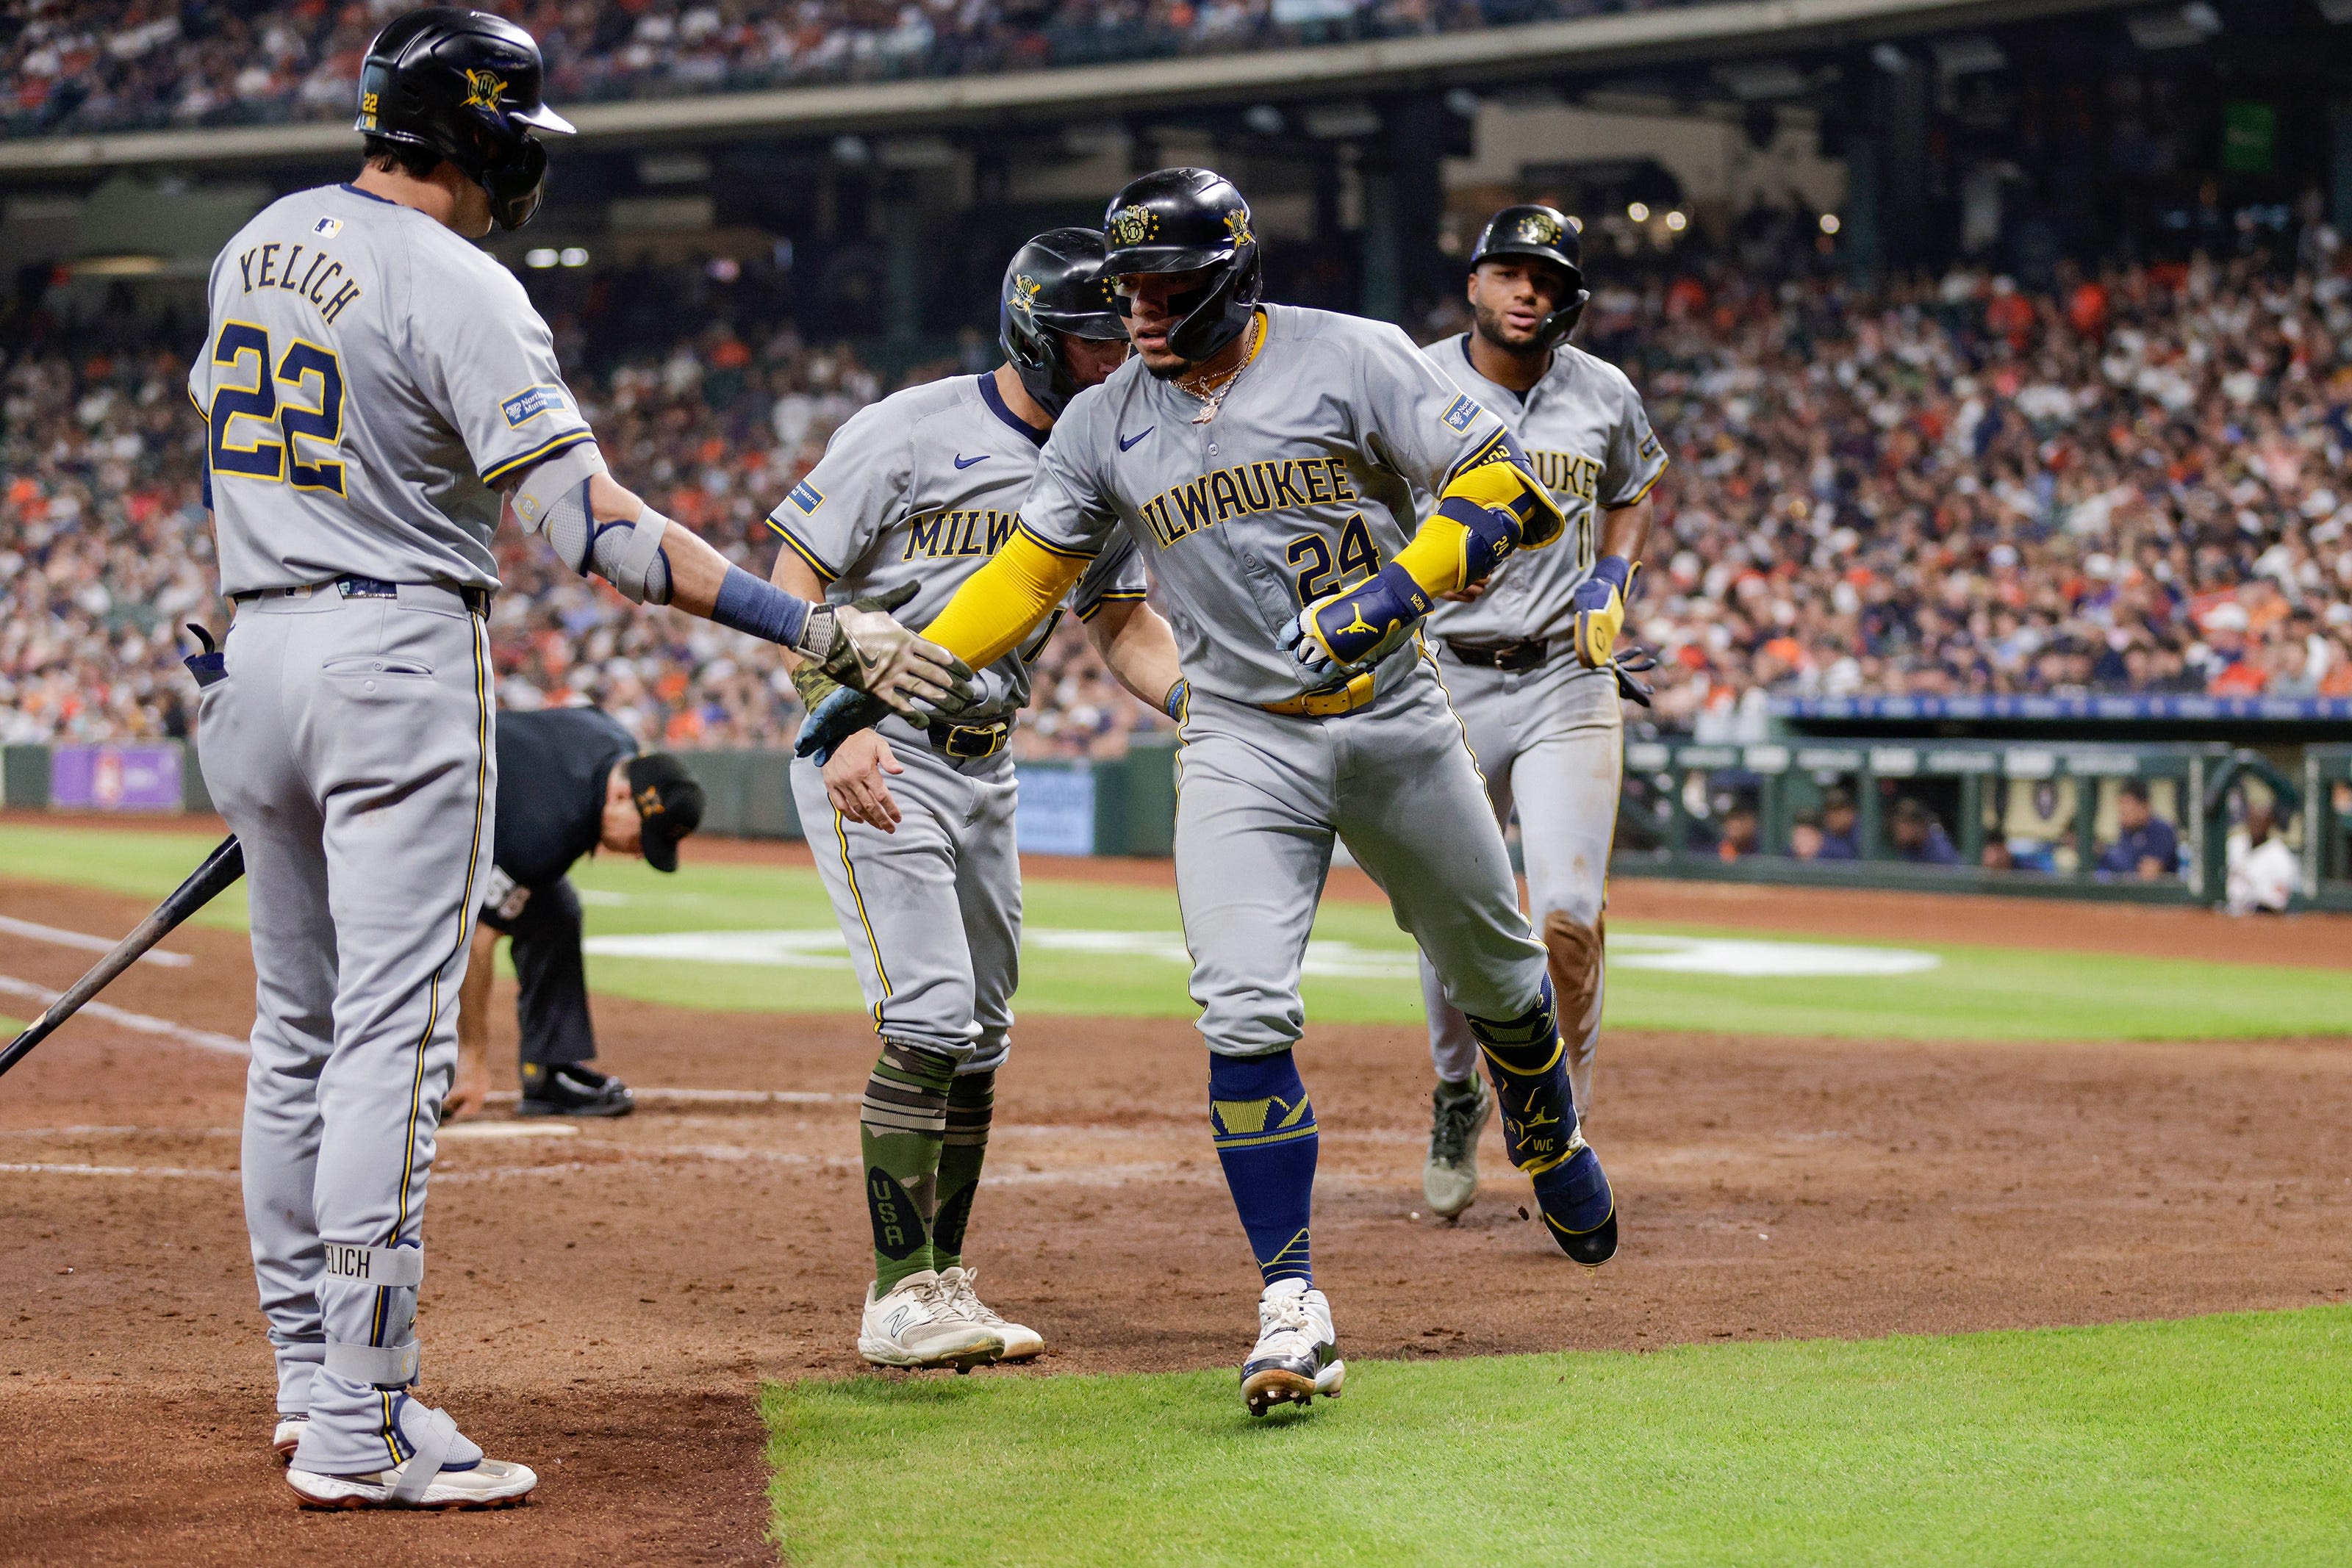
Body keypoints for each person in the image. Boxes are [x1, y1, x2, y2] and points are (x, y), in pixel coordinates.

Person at [187, 7, 965, 1511]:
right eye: (515, 140)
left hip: (256, 645)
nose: (521, 171)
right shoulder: (459, 279)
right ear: (478, 139)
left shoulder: (251, 242)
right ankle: (361, 1415)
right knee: (390, 1043)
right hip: (391, 652)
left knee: (294, 1028)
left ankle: (308, 1379)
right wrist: (815, 629)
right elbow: (597, 532)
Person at [800, 167, 1618, 1417]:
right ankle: (1292, 1298)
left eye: (1165, 285)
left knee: (1501, 970)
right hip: (1240, 732)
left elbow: (1509, 489)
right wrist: (892, 680)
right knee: (1240, 1009)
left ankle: (1544, 1117)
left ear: (1230, 279)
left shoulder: (1352, 356)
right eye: (1128, 286)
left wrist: (1397, 589)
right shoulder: (1100, 423)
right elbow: (1026, 576)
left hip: (1394, 714)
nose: (1137, 309)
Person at [769, 229, 1183, 1372]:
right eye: (1092, 341)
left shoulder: (1109, 456)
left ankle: (943, 1276)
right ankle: (896, 1295)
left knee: (983, 1032)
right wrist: (833, 712)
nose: (1115, 359)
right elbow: (791, 579)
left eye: (1123, 339)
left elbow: (1121, 626)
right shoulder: (910, 427)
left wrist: (1206, 703)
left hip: (987, 755)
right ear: (1034, 334)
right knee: (931, 1012)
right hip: (876, 743)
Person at [1410, 204, 1668, 1220]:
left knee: (1566, 912)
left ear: (1569, 297)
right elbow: (1363, 495)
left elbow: (1634, 485)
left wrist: (1612, 578)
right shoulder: (1415, 381)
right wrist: (1415, 568)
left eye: (1547, 278)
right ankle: (1451, 1090)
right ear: (1474, 283)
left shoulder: (1600, 389)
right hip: (1445, 679)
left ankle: (1562, 1124)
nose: (1528, 291)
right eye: (1511, 272)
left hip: (1566, 674)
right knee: (1451, 918)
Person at [445, 708, 705, 1122]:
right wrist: (471, 1055)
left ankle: (548, 1072)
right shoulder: (548, 830)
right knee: (433, 927)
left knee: (554, 910)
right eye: (643, 838)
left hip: (479, 791)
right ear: (622, 797)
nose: (639, 854)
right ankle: (416, 1068)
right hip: (420, 803)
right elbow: (476, 942)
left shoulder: (618, 740)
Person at [2096, 780, 2180, 880]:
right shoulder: (2127, 830)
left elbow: (2148, 875)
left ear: (2144, 806)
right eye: (2121, 811)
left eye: (2127, 811)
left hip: (2158, 894)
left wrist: (2109, 856)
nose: (2122, 816)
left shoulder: (2161, 831)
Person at [1890, 799, 1960, 866]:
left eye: (1904, 824)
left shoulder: (1940, 851)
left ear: (1918, 825)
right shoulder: (1910, 847)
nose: (1898, 831)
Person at [1815, 788, 1862, 860]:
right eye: (1831, 812)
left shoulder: (1863, 835)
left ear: (1851, 813)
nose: (1835, 817)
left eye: (1839, 811)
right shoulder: (1823, 839)